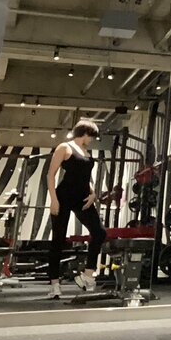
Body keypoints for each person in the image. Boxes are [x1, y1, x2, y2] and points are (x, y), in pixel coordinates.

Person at [46, 119, 107, 299]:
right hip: (64, 196)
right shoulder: (64, 148)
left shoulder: (86, 152)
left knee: (99, 232)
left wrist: (93, 193)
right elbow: (50, 175)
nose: (92, 140)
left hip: (82, 198)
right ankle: (54, 285)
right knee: (58, 239)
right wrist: (53, 200)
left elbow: (84, 176)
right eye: (91, 136)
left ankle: (87, 275)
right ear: (85, 133)